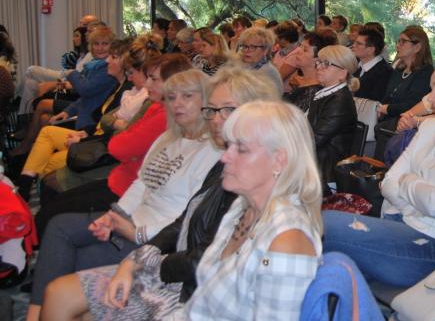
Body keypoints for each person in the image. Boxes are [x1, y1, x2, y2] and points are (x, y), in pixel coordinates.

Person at [40, 68, 280, 321]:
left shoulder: (237, 168)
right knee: (59, 258)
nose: (217, 120)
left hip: (189, 287)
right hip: (169, 256)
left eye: (228, 110)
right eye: (213, 110)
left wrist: (141, 257)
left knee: (67, 277)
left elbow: (205, 259)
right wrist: (122, 225)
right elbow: (177, 212)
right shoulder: (220, 157)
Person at [323, 59, 435, 287]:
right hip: (400, 221)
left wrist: (407, 180)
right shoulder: (431, 127)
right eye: (431, 89)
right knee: (332, 263)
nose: (431, 99)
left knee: (324, 225)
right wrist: (416, 204)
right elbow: (389, 182)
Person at [177, 100, 323, 319]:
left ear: (279, 161)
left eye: (241, 149)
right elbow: (200, 304)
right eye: (229, 146)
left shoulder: (287, 242)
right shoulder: (242, 207)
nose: (225, 157)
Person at [32, 54, 190, 237]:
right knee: (51, 197)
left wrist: (119, 134)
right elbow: (109, 122)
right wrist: (120, 133)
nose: (147, 84)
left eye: (153, 79)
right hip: (119, 175)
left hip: (126, 186)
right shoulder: (154, 106)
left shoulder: (164, 115)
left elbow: (120, 147)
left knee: (49, 212)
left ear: (173, 83)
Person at [14, 38, 134, 201]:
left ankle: (37, 195)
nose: (107, 60)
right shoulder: (118, 86)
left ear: (123, 62)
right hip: (92, 134)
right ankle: (27, 185)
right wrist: (76, 121)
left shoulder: (125, 91)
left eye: (112, 57)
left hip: (98, 145)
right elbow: (96, 113)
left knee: (48, 162)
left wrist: (85, 137)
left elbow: (113, 129)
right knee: (47, 132)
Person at [16, 26, 118, 155]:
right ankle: (31, 149)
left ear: (112, 46)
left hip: (91, 122)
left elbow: (85, 90)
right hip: (85, 113)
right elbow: (85, 97)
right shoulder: (94, 66)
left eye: (105, 44)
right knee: (43, 113)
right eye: (96, 44)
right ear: (91, 47)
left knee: (45, 115)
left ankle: (29, 148)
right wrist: (68, 111)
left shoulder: (107, 68)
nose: (100, 47)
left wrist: (72, 74)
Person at [307, 45, 359, 187]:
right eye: (318, 62)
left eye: (326, 63)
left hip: (325, 172)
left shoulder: (339, 101)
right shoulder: (326, 94)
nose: (319, 67)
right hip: (315, 161)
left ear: (342, 72)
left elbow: (314, 140)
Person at [374, 25, 434, 139]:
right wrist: (380, 108)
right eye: (398, 41)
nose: (398, 45)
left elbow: (413, 104)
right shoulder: (399, 69)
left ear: (417, 47)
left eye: (403, 42)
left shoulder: (426, 72)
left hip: (406, 125)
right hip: (388, 121)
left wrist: (387, 109)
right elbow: (387, 96)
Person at [284, 31, 338, 110]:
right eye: (300, 46)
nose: (298, 51)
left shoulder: (314, 91)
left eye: (305, 50)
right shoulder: (299, 80)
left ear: (318, 59)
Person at [351, 27, 393, 102]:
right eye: (354, 42)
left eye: (358, 43)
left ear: (371, 50)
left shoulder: (385, 72)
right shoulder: (357, 65)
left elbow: (373, 102)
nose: (353, 45)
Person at [235, 26, 282, 92]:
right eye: (245, 46)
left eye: (253, 47)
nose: (246, 50)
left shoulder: (267, 72)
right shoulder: (247, 65)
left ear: (265, 50)